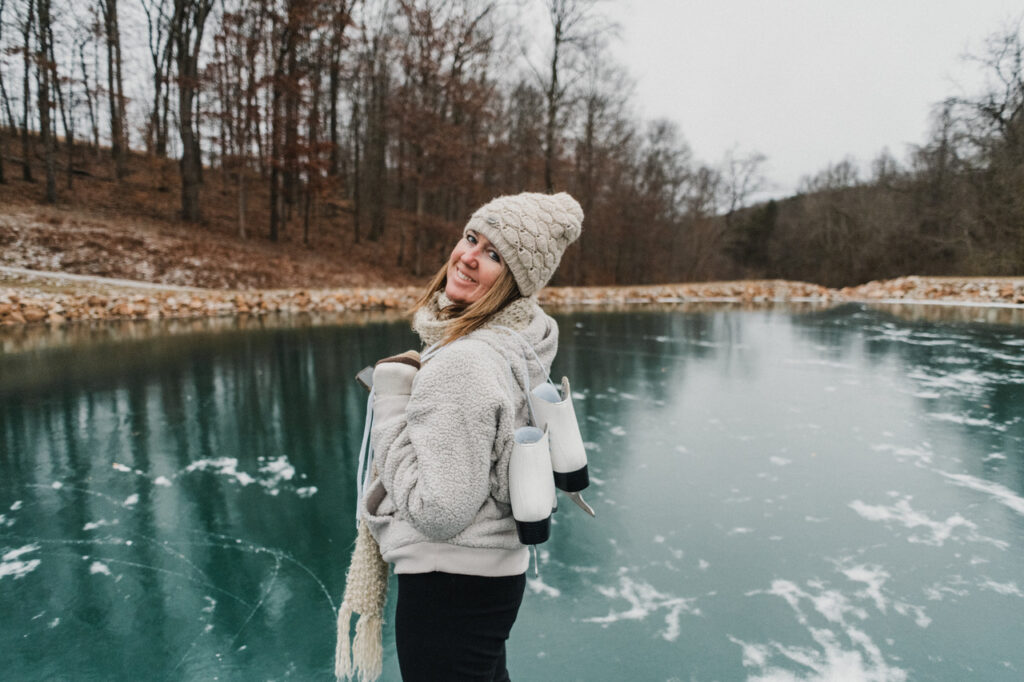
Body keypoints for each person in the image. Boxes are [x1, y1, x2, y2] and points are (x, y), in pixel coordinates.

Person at [335, 192, 583, 682]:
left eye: (495, 255)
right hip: (489, 579)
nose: (469, 256)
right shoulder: (517, 341)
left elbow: (440, 511)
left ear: (516, 281)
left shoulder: (465, 361)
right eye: (472, 237)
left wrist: (390, 401)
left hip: (447, 583)